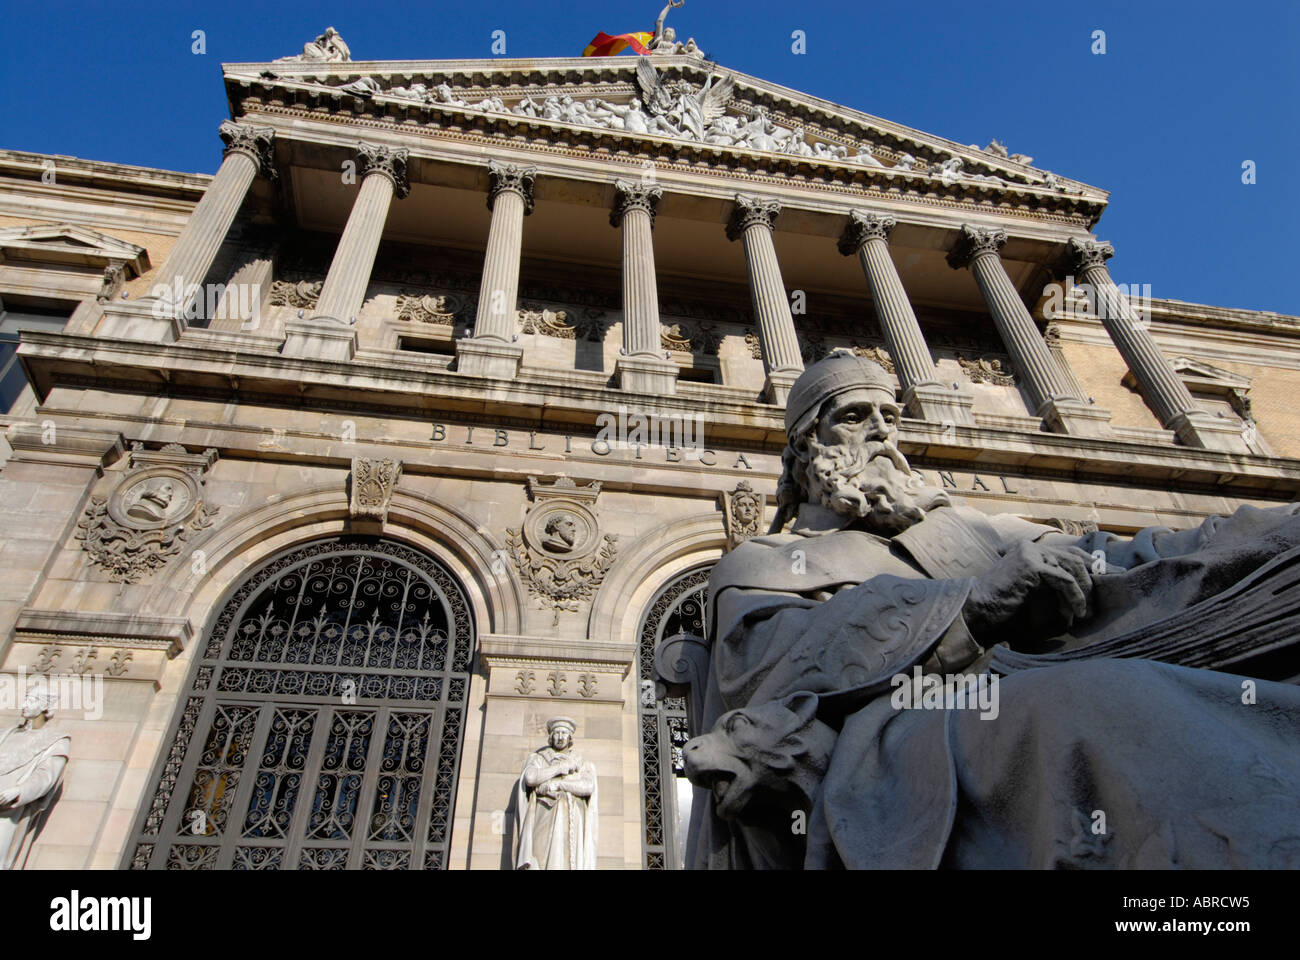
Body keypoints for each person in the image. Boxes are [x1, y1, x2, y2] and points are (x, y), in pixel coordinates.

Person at [683, 348, 1300, 869]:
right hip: (898, 735)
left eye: (889, 415)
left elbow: (1114, 556)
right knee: (1096, 698)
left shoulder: (974, 527)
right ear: (804, 446)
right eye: (853, 416)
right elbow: (768, 677)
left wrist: (1248, 537)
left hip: (1046, 673)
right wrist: (973, 605)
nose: (881, 431)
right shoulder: (768, 559)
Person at [0, 677, 70, 869]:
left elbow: (45, 776)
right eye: (26, 699)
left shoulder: (56, 741)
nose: (24, 705)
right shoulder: (6, 734)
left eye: (31, 700)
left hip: (9, 808)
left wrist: (19, 791)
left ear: (45, 707)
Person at [514, 717, 598, 869]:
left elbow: (588, 786)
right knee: (541, 858)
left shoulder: (580, 762)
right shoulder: (540, 759)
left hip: (573, 818)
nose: (560, 737)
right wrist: (560, 768)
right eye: (557, 733)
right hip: (545, 815)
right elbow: (531, 777)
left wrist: (558, 784)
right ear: (551, 737)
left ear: (570, 737)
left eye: (564, 733)